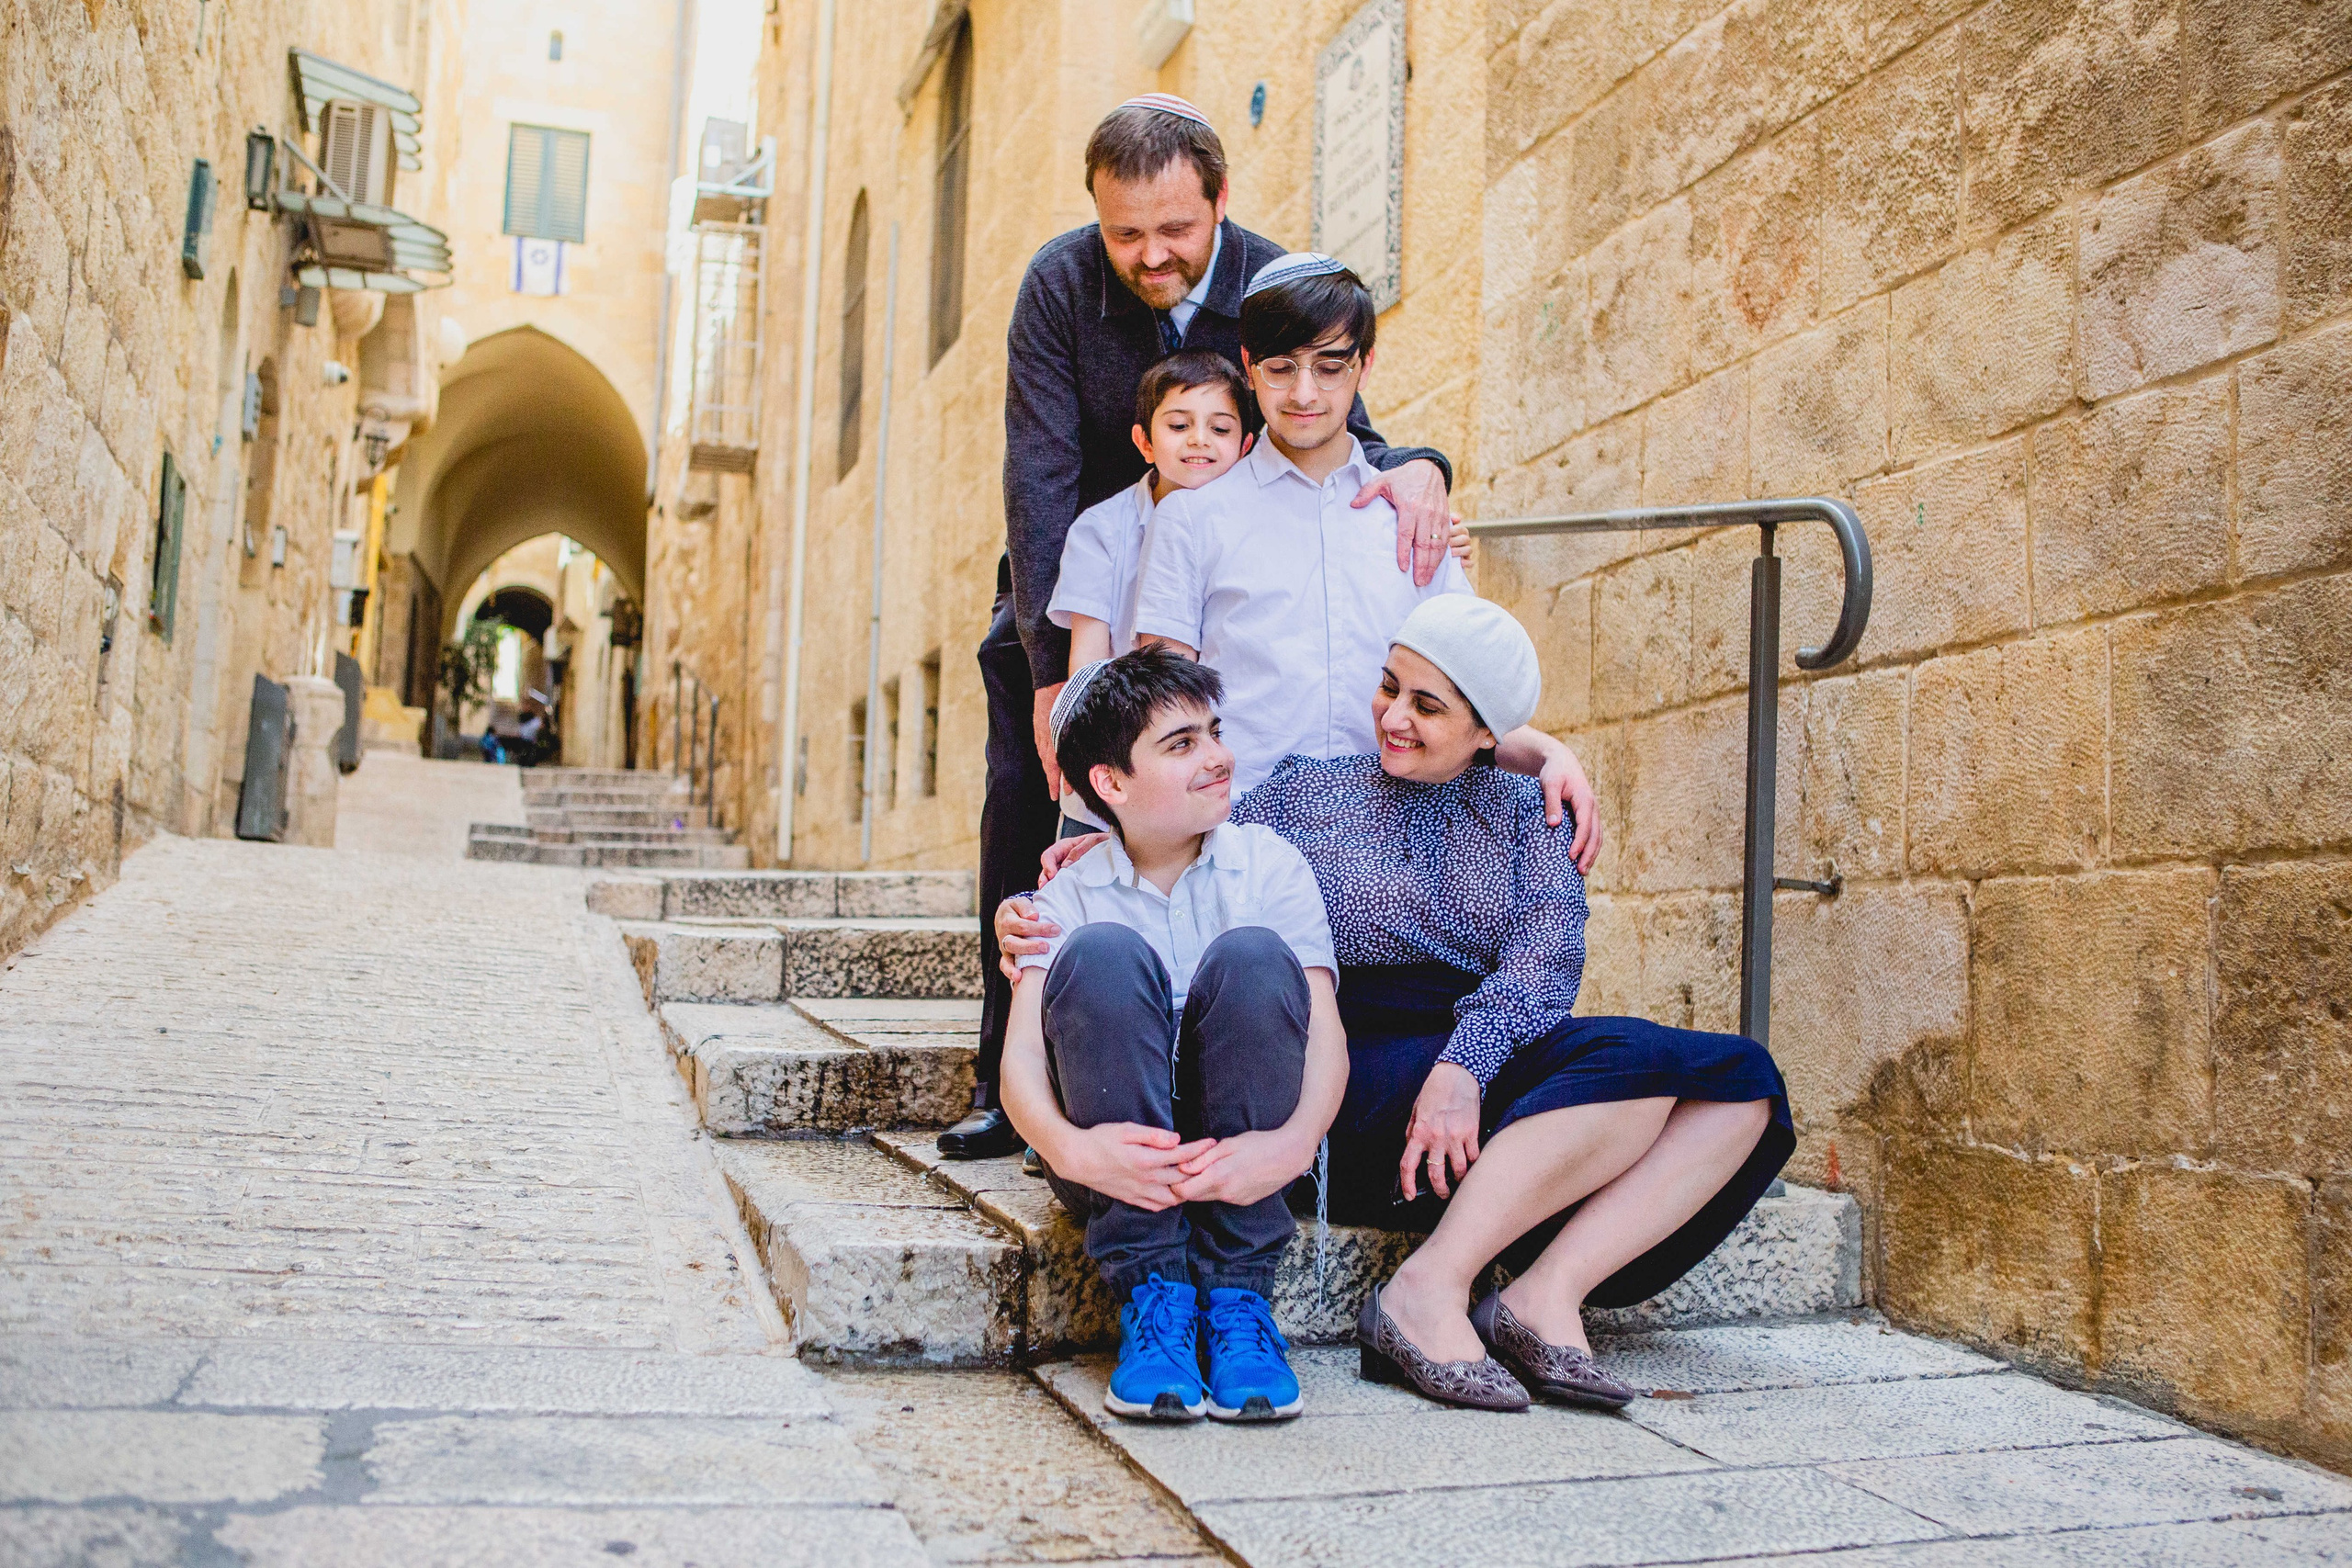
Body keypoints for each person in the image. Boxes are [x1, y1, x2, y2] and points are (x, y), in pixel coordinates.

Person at [1003, 597, 1791, 1413]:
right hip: (1318, 1056)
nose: (1393, 717)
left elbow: (1544, 967)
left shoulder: (1532, 816)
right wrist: (1080, 862)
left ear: (1489, 732)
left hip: (1470, 1049)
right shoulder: (1310, 793)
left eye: (1427, 704)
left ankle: (1544, 1293)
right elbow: (1181, 836)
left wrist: (1464, 1066)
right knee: (1640, 1078)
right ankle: (1396, 1292)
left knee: (1729, 1081)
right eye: (1388, 688)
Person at [955, 92, 1464, 1162]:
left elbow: (1339, 417)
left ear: (1219, 203)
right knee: (1025, 795)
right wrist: (1057, 675)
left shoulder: (1268, 279)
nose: (1149, 255)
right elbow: (1038, 470)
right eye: (1124, 233)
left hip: (1212, 573)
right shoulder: (1056, 284)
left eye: (1174, 231)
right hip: (1085, 575)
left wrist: (1428, 467)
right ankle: (1010, 1070)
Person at [1000, 649, 1347, 1424]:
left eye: (1214, 733)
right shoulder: (1068, 894)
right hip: (1111, 1148)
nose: (1219, 757)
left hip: (1247, 1141)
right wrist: (1070, 1150)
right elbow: (1020, 1058)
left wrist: (1293, 1145)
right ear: (1111, 783)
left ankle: (1237, 1301)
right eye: (1181, 743)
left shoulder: (1273, 866)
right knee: (1103, 956)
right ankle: (1154, 1298)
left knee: (1256, 955)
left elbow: (1325, 1035)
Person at [1133, 253, 1598, 809]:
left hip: (1400, 837)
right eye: (1281, 368)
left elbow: (1468, 695)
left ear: (1365, 365)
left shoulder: (1414, 518)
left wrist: (1548, 753)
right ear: (1249, 364)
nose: (1305, 394)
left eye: (1330, 367)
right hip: (1244, 834)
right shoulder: (1189, 520)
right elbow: (1164, 709)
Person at [1045, 350, 1251, 833]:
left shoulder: (1253, 525)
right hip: (1119, 749)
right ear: (1144, 441)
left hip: (1208, 761)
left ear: (1244, 447)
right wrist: (1090, 747)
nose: (1200, 440)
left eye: (1220, 429)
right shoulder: (1100, 530)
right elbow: (1089, 658)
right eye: (1179, 426)